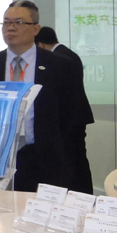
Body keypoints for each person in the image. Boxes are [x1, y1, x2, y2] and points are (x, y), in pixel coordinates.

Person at [0, 1, 75, 191]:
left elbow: (70, 115)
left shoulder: (60, 65)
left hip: (44, 157)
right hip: (1, 158)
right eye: (6, 22)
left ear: (36, 29)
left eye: (19, 22)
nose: (11, 28)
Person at [35, 26, 95, 194]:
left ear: (40, 44)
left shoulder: (62, 58)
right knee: (75, 159)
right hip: (75, 117)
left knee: (74, 161)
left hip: (72, 118)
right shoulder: (66, 54)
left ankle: (80, 195)